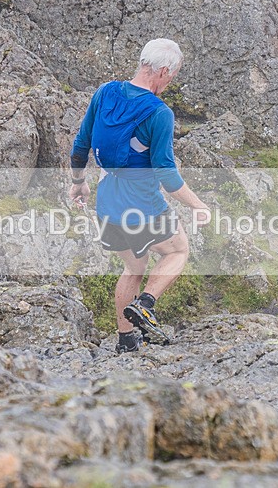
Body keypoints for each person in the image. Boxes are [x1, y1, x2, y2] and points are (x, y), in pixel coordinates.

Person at [68, 38, 210, 354]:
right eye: (171, 76)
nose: (170, 82)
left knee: (134, 266)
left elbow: (80, 147)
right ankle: (146, 304)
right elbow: (167, 175)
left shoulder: (105, 92)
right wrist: (198, 204)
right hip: (142, 203)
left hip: (107, 203)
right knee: (178, 250)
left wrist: (79, 183)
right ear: (161, 71)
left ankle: (126, 340)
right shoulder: (159, 114)